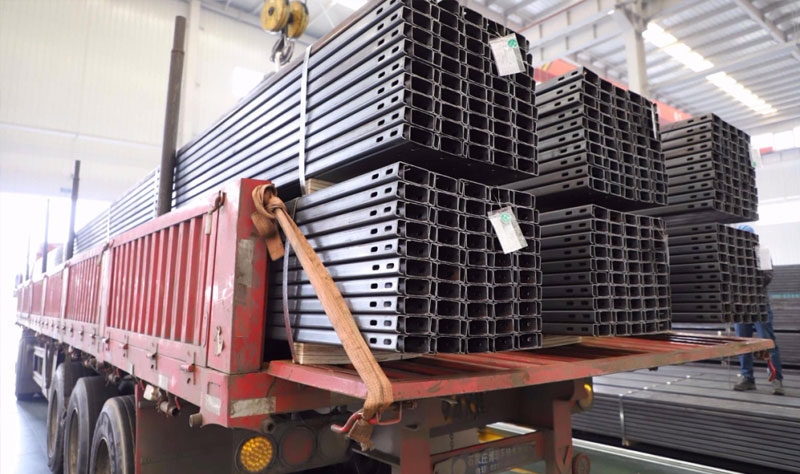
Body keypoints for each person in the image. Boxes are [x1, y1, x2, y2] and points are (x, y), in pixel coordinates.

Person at [733, 225, 784, 395]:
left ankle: (776, 379)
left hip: (760, 304)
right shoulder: (732, 254)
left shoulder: (762, 252)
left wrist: (747, 273)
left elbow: (767, 277)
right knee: (742, 343)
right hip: (740, 306)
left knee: (768, 342)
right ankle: (747, 378)